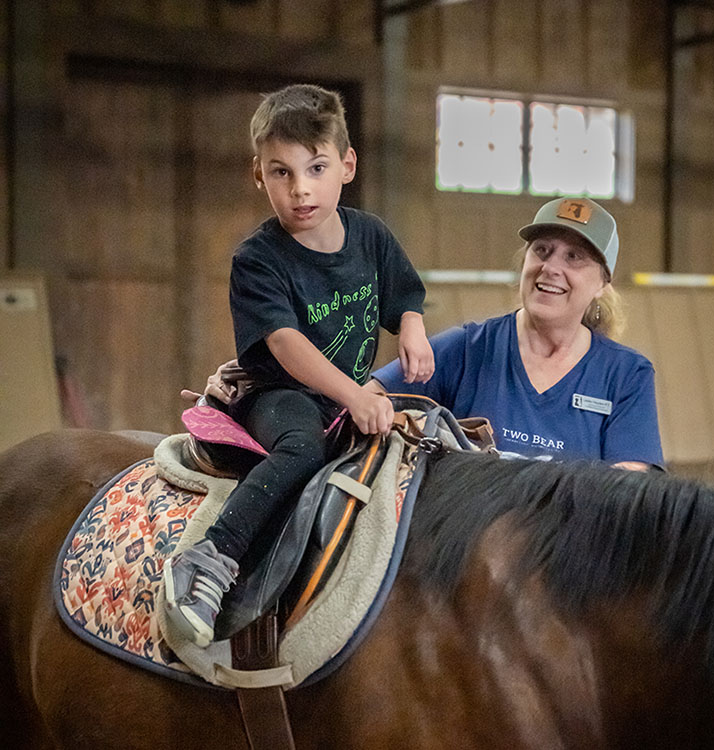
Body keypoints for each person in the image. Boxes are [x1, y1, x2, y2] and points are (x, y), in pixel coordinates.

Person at [163, 84, 434, 648]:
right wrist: (356, 396)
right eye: (281, 172)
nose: (301, 188)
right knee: (303, 448)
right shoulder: (258, 258)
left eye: (315, 167)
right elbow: (286, 345)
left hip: (344, 395)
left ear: (347, 165)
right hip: (279, 394)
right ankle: (210, 557)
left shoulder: (371, 236)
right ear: (258, 175)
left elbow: (404, 294)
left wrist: (412, 327)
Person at [371, 197, 663, 471]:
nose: (550, 268)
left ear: (602, 284)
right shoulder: (466, 349)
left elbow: (629, 488)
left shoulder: (626, 375)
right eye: (542, 250)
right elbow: (367, 401)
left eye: (574, 257)